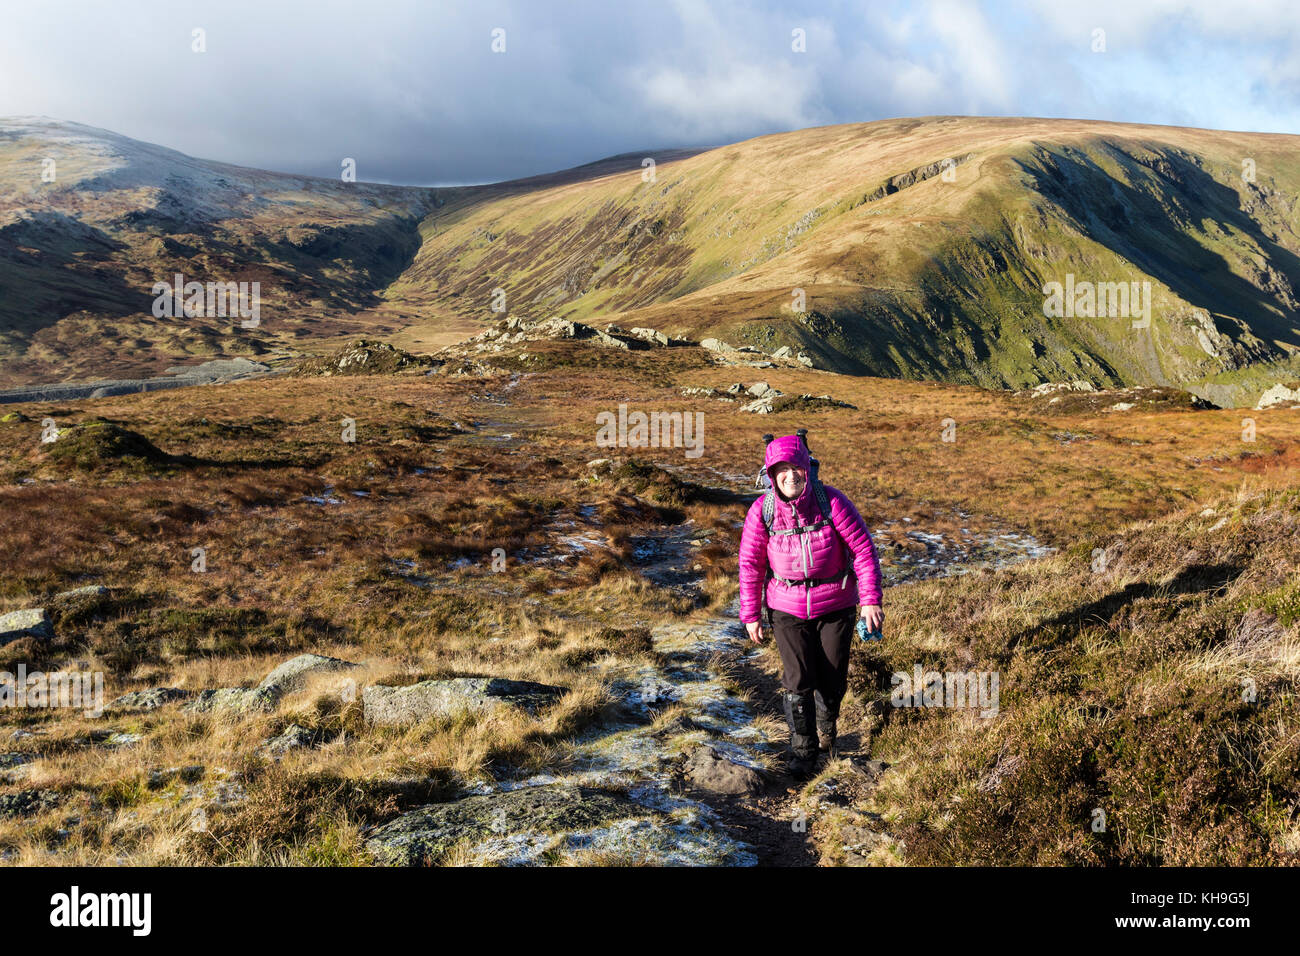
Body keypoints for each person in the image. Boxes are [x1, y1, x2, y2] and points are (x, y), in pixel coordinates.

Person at [738, 433, 884, 778]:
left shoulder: (831, 502)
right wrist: (751, 614)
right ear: (771, 475)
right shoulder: (763, 511)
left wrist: (870, 600)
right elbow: (750, 564)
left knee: (832, 676)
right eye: (781, 469)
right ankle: (803, 751)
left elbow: (863, 551)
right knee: (799, 677)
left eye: (796, 467)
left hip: (837, 602)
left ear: (807, 467)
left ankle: (827, 728)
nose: (790, 475)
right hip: (785, 606)